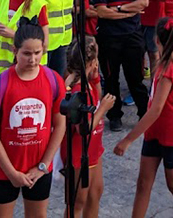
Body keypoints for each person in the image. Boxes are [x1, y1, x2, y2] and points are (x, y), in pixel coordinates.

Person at [0, 23, 66, 218]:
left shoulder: (53, 80)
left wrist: (43, 165)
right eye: (27, 53)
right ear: (15, 51)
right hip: (4, 169)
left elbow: (60, 125)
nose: (33, 59)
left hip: (39, 168)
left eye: (38, 52)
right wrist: (11, 173)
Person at [113, 16, 173, 218]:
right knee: (144, 182)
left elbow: (156, 109)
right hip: (157, 130)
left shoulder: (170, 69)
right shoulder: (171, 61)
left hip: (172, 131)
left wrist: (128, 139)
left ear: (157, 39)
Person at [93, 0, 149, 131]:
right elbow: (102, 11)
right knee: (111, 80)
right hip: (110, 39)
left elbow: (144, 1)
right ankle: (114, 116)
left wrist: (118, 8)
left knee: (136, 79)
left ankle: (144, 114)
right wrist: (129, 12)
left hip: (133, 36)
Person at [61, 37, 115, 218]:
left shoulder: (88, 82)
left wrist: (96, 76)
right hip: (79, 153)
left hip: (93, 149)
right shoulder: (77, 90)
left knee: (95, 192)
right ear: (92, 61)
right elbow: (83, 128)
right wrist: (104, 109)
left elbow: (97, 95)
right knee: (78, 201)